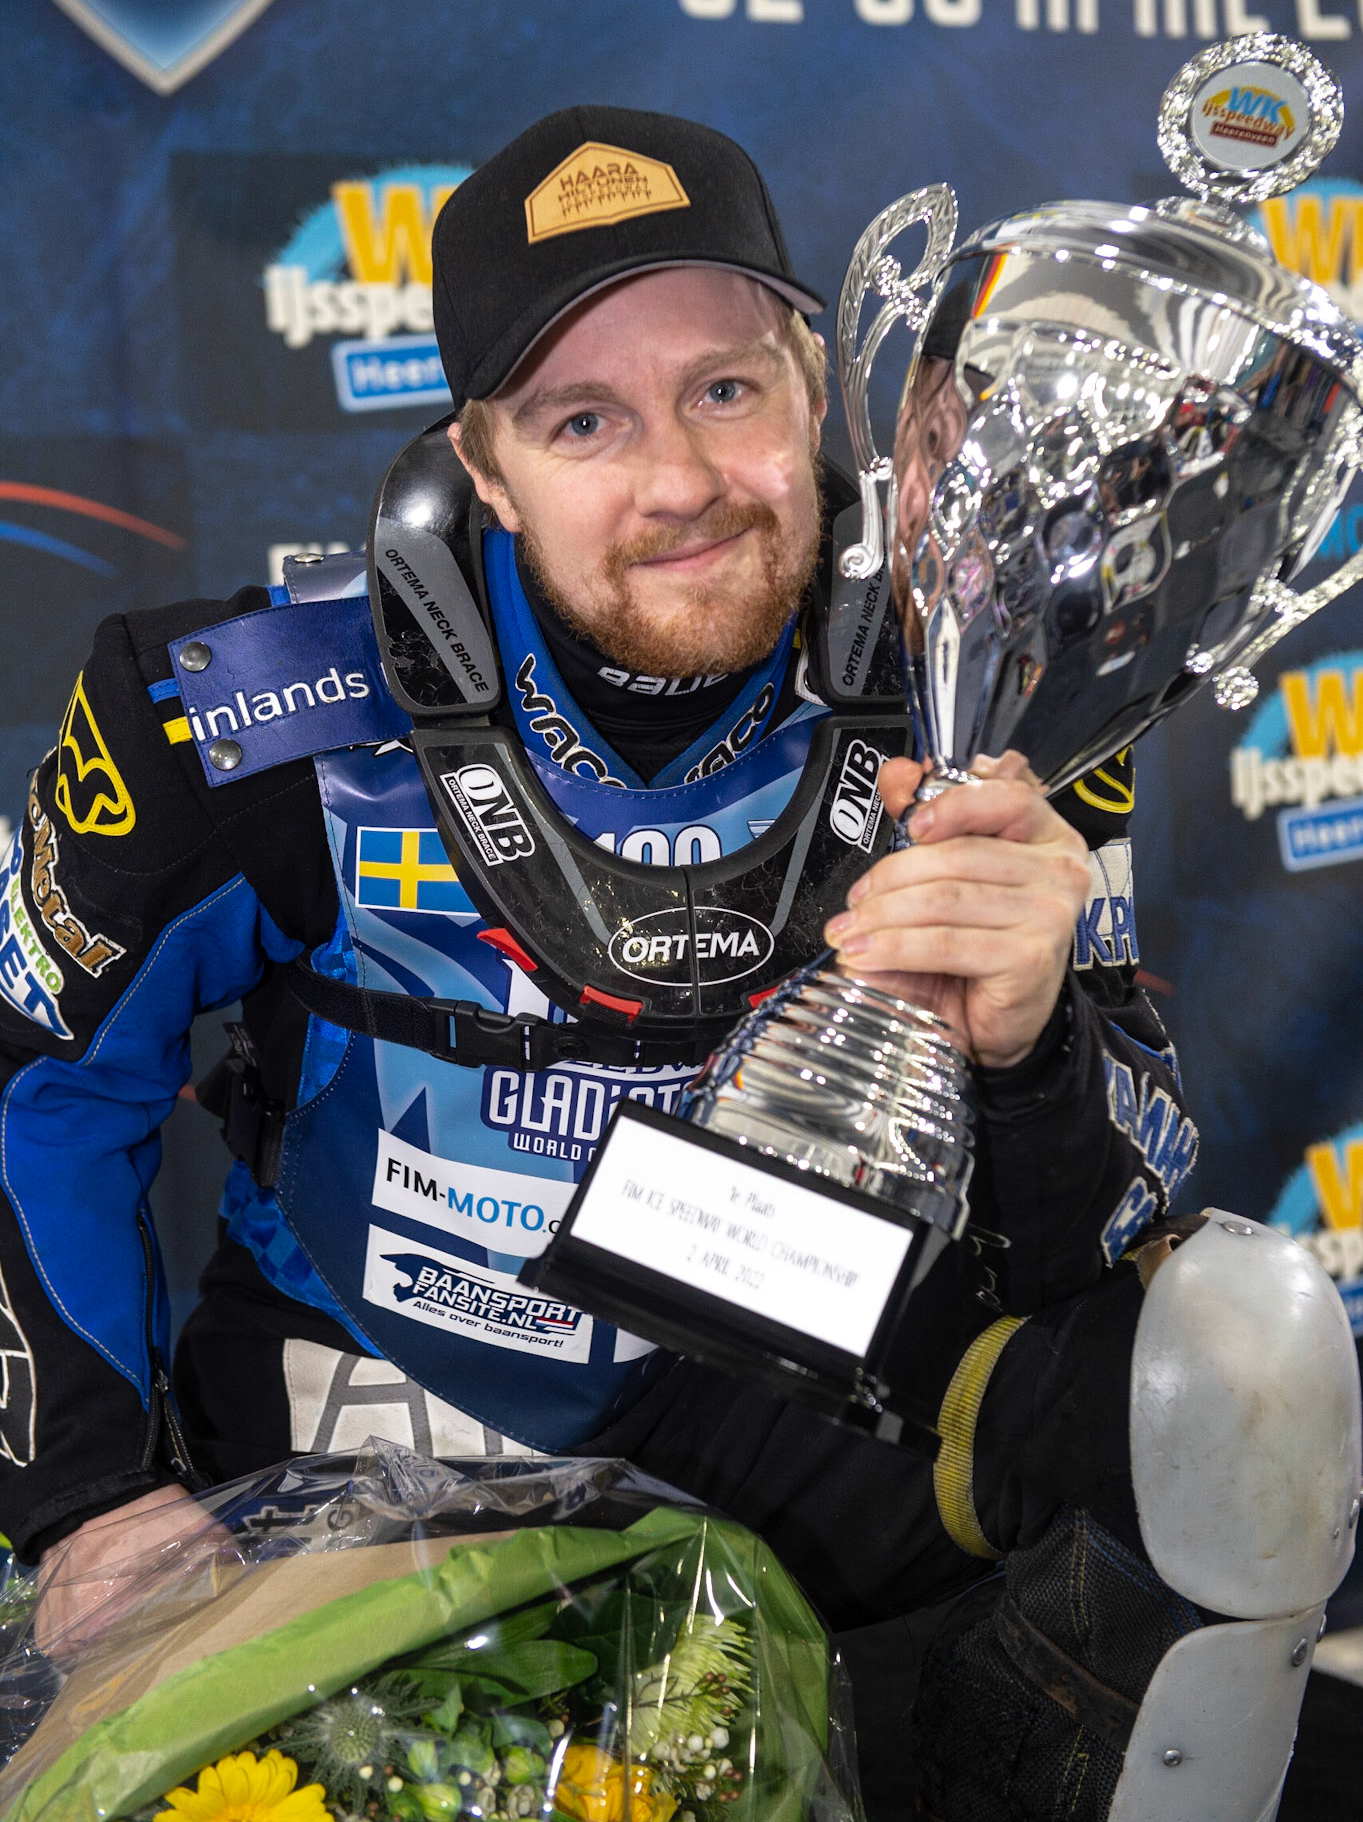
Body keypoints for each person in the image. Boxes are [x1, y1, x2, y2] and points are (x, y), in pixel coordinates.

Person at [0, 107, 1333, 1820]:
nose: (685, 481)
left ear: (812, 381)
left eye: (726, 388)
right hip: (369, 1439)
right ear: (483, 465)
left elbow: (1097, 1219)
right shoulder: (243, 713)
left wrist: (1034, 1052)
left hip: (824, 1440)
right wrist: (88, 1497)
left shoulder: (991, 662)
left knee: (1241, 1351)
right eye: (584, 421)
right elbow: (34, 1080)